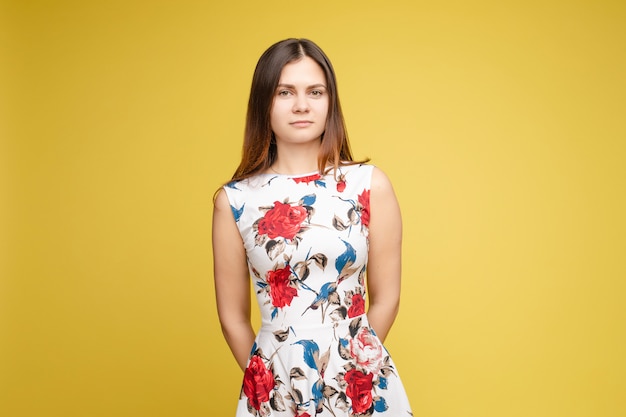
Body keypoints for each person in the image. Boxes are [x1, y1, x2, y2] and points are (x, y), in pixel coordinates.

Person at [213, 38, 413, 417]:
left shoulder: (369, 185)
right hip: (276, 385)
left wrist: (353, 364)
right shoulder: (235, 201)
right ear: (263, 104)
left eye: (314, 91)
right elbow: (232, 317)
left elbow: (387, 298)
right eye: (284, 92)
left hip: (359, 378)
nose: (301, 105)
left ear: (329, 101)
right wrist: (268, 376)